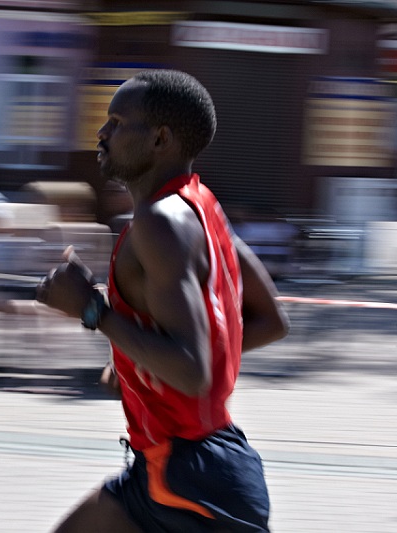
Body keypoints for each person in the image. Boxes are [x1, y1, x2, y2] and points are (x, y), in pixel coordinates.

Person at [36, 69, 290, 532]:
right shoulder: (201, 206)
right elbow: (270, 321)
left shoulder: (159, 223)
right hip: (172, 471)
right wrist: (141, 367)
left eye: (117, 122)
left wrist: (92, 311)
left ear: (160, 139)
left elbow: (191, 370)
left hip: (195, 487)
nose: (102, 132)